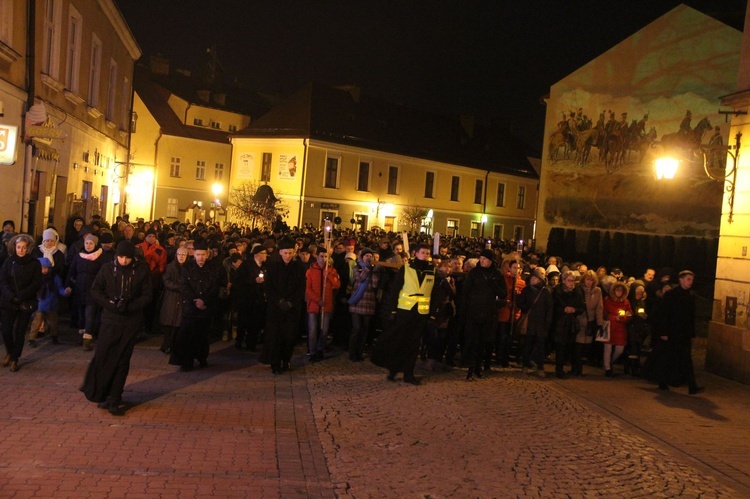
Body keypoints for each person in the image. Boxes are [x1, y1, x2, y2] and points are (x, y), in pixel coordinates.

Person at [81, 240, 153, 415]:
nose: (124, 261)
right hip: (110, 319)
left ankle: (115, 396)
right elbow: (95, 290)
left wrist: (130, 306)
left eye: (127, 258)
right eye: (121, 257)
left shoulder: (142, 270)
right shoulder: (107, 269)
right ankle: (102, 392)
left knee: (122, 359)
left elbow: (147, 295)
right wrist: (111, 304)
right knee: (104, 356)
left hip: (130, 322)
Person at [371, 243, 437, 385]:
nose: (426, 255)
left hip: (421, 313)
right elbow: (395, 290)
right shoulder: (406, 269)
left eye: (427, 253)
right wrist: (393, 310)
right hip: (405, 311)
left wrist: (432, 315)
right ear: (416, 253)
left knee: (414, 345)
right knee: (399, 341)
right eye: (423, 252)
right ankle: (393, 369)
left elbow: (435, 294)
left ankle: (409, 374)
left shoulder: (432, 271)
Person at [169, 239, 222, 371]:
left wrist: (204, 300)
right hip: (190, 308)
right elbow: (184, 286)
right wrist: (195, 300)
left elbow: (215, 286)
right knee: (187, 335)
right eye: (198, 255)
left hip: (206, 307)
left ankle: (202, 357)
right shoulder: (187, 267)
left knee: (203, 335)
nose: (200, 258)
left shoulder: (214, 268)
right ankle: (187, 361)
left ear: (207, 254)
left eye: (203, 255)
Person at [260, 237, 306, 374]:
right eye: (285, 253)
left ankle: (286, 359)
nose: (287, 256)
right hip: (276, 309)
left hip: (292, 309)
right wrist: (279, 301)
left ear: (294, 253)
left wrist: (291, 302)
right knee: (275, 337)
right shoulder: (273, 268)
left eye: (290, 253)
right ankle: (275, 362)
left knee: (289, 337)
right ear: (280, 252)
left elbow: (300, 288)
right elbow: (269, 287)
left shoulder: (299, 268)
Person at [460, 249, 506, 380]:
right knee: (472, 341)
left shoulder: (497, 274)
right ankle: (470, 368)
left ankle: (479, 367)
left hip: (488, 314)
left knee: (483, 342)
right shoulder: (474, 272)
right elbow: (466, 291)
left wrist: (494, 285)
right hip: (473, 313)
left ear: (491, 261)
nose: (482, 260)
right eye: (481, 258)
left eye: (485, 259)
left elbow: (503, 293)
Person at [0, 234, 43, 372]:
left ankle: (14, 359)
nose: (21, 250)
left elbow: (36, 283)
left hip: (26, 301)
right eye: (18, 247)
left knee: (20, 332)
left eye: (24, 247)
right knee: (6, 330)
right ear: (14, 247)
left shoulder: (34, 263)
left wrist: (22, 295)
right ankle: (10, 352)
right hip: (9, 301)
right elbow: (3, 281)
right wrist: (11, 296)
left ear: (28, 248)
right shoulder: (9, 262)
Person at [657, 270, 703, 394]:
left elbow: (691, 316)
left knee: (687, 359)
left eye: (692, 280)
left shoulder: (690, 296)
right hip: (672, 332)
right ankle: (662, 382)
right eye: (688, 279)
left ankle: (692, 386)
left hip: (685, 333)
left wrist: (692, 334)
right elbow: (665, 314)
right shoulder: (671, 295)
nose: (690, 282)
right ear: (681, 280)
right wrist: (664, 332)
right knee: (669, 357)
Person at [66, 234, 106, 351]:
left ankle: (87, 340)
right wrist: (68, 285)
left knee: (90, 315)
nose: (88, 245)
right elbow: (71, 272)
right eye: (86, 243)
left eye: (91, 243)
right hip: (79, 290)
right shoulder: (79, 257)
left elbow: (103, 275)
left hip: (92, 291)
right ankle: (82, 336)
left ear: (95, 244)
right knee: (81, 315)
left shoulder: (100, 257)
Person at [305, 246, 341, 361]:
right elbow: (308, 289)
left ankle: (320, 349)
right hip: (314, 305)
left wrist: (329, 276)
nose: (323, 259)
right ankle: (312, 352)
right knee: (312, 330)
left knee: (324, 330)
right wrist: (317, 300)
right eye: (321, 256)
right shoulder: (310, 271)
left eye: (326, 256)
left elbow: (337, 285)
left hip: (326, 305)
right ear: (317, 256)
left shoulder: (332, 270)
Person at [27, 257, 70, 347]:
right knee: (37, 322)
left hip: (52, 304)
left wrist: (65, 292)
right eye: (42, 268)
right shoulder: (36, 278)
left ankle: (54, 336)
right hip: (39, 304)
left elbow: (60, 288)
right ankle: (31, 339)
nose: (44, 270)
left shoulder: (54, 277)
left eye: (46, 268)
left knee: (53, 322)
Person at [518, 267, 553, 377]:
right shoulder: (526, 290)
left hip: (541, 323)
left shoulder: (545, 291)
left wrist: (547, 323)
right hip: (530, 322)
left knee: (540, 347)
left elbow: (549, 308)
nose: (533, 280)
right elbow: (521, 304)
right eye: (532, 278)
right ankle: (525, 366)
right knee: (527, 345)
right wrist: (526, 306)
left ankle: (540, 367)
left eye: (535, 278)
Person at [551, 270, 584, 379]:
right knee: (560, 346)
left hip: (571, 323)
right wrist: (563, 309)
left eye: (573, 281)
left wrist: (574, 309)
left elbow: (581, 307)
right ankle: (559, 370)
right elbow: (553, 306)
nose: (571, 283)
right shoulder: (557, 291)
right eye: (569, 280)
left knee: (568, 347)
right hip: (560, 322)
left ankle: (566, 367)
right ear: (564, 280)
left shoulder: (577, 292)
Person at [348, 248, 378, 362]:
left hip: (368, 303)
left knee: (364, 330)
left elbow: (375, 285)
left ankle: (359, 353)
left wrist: (374, 271)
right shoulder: (357, 267)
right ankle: (352, 352)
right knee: (357, 328)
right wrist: (367, 268)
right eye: (366, 256)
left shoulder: (374, 270)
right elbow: (360, 278)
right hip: (357, 303)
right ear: (362, 257)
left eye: (370, 256)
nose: (368, 258)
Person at [572, 270, 604, 376]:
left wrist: (600, 323)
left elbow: (599, 308)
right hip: (580, 320)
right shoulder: (579, 290)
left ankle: (577, 366)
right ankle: (577, 368)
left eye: (591, 280)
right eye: (587, 279)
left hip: (590, 321)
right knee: (578, 345)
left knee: (586, 346)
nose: (589, 282)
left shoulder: (597, 291)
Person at [158, 246, 188, 354]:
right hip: (171, 297)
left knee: (177, 324)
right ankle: (167, 345)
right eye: (179, 254)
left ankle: (174, 345)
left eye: (183, 255)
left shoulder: (188, 268)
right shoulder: (170, 267)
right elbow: (166, 281)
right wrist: (180, 287)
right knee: (169, 323)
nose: (181, 257)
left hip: (181, 299)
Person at [602, 281, 632, 377]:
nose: (619, 292)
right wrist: (612, 318)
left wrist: (623, 318)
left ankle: (611, 362)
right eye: (617, 290)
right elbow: (603, 312)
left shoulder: (626, 302)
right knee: (608, 349)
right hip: (609, 326)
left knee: (619, 349)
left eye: (621, 290)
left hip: (620, 328)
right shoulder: (607, 300)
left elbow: (629, 313)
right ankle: (607, 368)